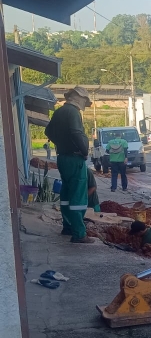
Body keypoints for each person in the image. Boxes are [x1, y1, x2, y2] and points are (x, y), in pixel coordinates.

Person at [45, 86, 94, 243]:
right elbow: (76, 133)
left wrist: (61, 143)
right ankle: (79, 233)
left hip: (62, 158)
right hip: (74, 158)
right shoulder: (73, 112)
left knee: (66, 194)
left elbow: (48, 131)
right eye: (85, 101)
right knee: (78, 196)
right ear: (80, 98)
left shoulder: (59, 111)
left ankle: (67, 226)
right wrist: (84, 151)